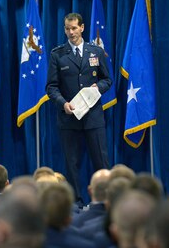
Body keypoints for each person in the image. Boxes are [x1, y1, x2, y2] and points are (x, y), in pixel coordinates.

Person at [46, 12, 112, 203]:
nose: (71, 32)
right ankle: (76, 203)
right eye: (67, 28)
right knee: (71, 164)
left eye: (74, 28)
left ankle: (105, 199)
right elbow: (51, 87)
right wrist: (62, 104)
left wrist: (97, 87)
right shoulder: (57, 54)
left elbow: (107, 80)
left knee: (101, 161)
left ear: (82, 28)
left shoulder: (96, 52)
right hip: (69, 117)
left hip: (93, 117)